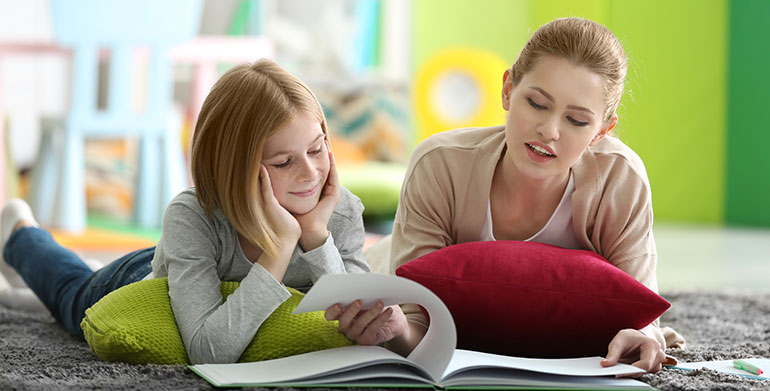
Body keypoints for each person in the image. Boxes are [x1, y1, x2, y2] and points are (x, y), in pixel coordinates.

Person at [0, 59, 382, 364]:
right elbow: (209, 351)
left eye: (317, 150)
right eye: (284, 162)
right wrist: (281, 246)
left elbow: (355, 317)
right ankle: (19, 231)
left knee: (54, 292)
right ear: (236, 169)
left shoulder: (340, 210)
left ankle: (32, 284)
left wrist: (316, 236)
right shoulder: (192, 215)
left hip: (193, 274)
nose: (311, 173)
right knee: (69, 295)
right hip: (148, 277)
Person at [387, 17, 680, 373]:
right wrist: (395, 331)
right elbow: (412, 318)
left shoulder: (620, 179)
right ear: (508, 89)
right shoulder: (440, 164)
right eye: (538, 104)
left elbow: (639, 308)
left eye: (577, 121)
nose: (549, 130)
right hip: (383, 253)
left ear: (602, 130)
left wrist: (642, 335)